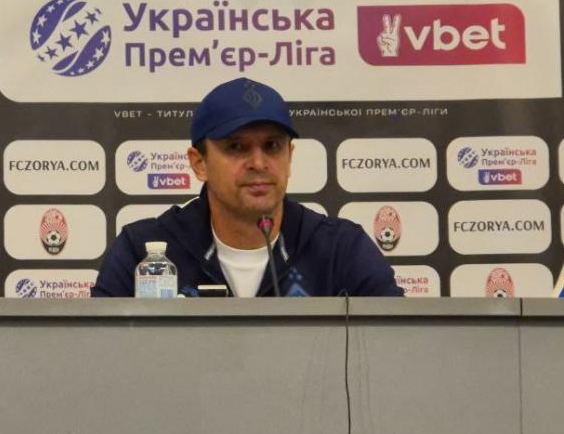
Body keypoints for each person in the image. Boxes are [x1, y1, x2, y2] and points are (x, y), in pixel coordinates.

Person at [92, 77, 403, 298]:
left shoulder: (341, 249)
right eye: (237, 147)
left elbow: (399, 348)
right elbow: (97, 354)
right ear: (200, 164)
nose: (258, 163)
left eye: (272, 146)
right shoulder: (141, 251)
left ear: (290, 157)